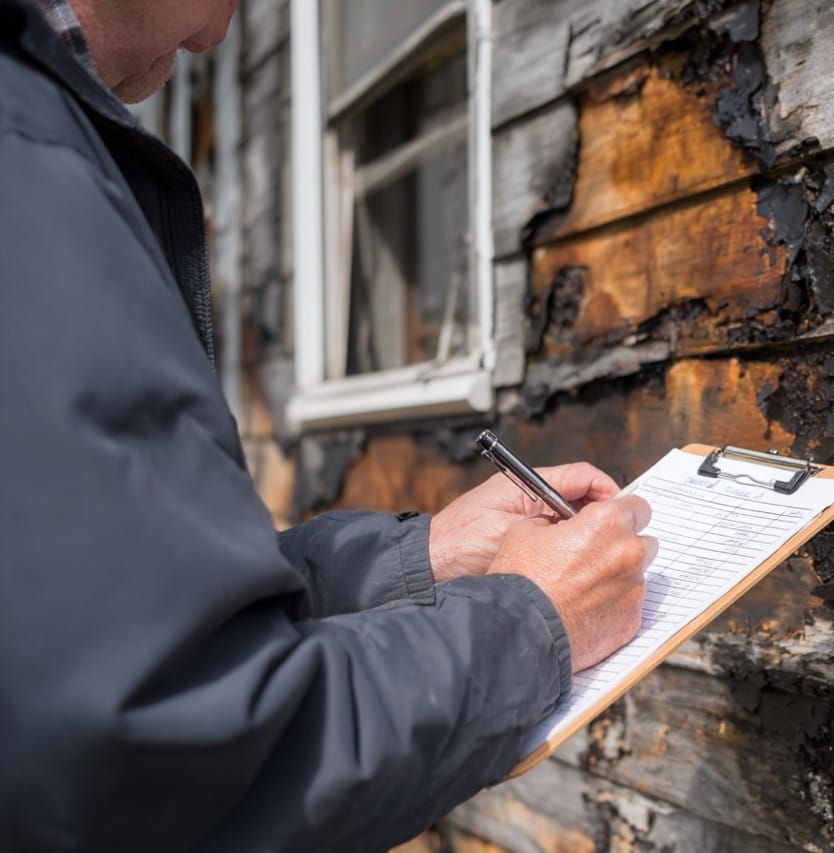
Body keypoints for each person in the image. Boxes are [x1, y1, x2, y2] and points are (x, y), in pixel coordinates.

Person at [0, 1, 657, 849]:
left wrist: (420, 558)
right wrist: (533, 623)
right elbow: (187, 755)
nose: (216, 35)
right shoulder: (26, 163)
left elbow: (116, 615)